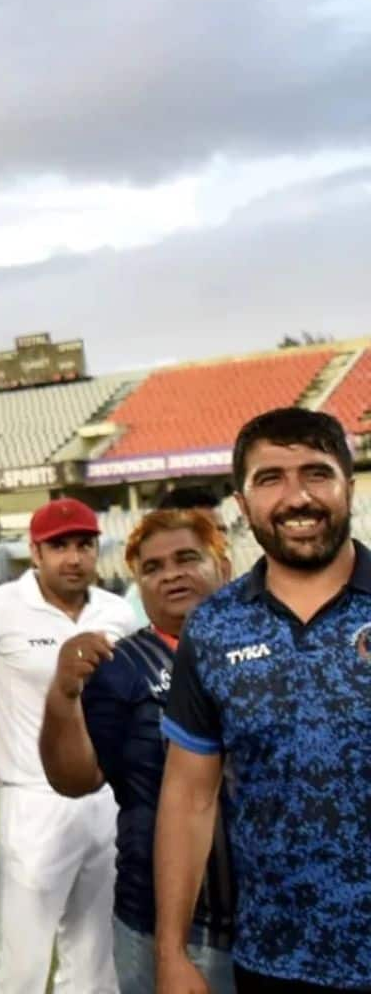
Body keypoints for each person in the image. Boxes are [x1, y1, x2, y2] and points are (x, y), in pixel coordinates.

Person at [157, 407, 371, 993]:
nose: (297, 497)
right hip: (274, 961)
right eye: (271, 478)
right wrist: (172, 952)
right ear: (242, 502)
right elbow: (188, 797)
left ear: (348, 487)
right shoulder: (213, 628)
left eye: (316, 474)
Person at [0, 496, 138, 994]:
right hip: (34, 800)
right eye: (59, 546)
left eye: (83, 545)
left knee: (95, 963)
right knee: (21, 965)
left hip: (107, 799)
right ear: (35, 552)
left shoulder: (115, 612)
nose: (74, 557)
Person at [38, 508, 237, 994]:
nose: (170, 575)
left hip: (277, 914)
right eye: (151, 568)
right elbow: (75, 779)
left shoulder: (269, 648)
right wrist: (62, 697)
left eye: (187, 558)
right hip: (162, 921)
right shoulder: (121, 666)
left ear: (224, 566)